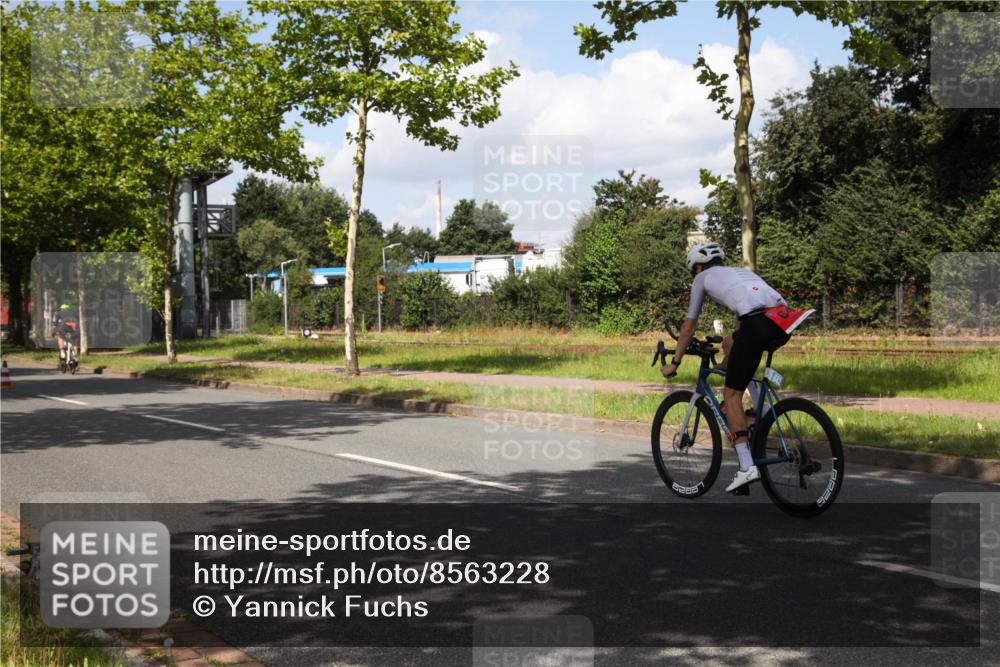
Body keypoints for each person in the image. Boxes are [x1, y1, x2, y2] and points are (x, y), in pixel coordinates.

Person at [659, 242, 813, 492]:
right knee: (732, 342)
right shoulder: (742, 273)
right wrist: (726, 357)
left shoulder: (702, 278)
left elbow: (688, 327)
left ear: (698, 267)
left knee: (731, 394)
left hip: (756, 325)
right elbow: (748, 319)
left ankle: (746, 467)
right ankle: (760, 411)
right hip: (783, 322)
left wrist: (674, 362)